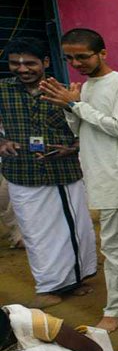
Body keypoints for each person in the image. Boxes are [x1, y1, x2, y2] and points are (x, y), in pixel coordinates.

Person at [39, 28, 118, 332]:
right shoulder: (83, 88)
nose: (77, 63)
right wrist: (71, 106)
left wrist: (74, 105)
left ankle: (117, 309)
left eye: (83, 56)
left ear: (103, 53)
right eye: (70, 58)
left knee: (117, 249)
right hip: (100, 175)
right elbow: (80, 130)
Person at [0, 38, 97, 304]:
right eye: (15, 63)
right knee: (36, 232)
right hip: (23, 173)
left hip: (63, 172)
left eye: (29, 63)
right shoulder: (2, 90)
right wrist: (2, 142)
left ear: (45, 62)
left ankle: (75, 279)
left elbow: (86, 129)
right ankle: (49, 286)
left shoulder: (64, 92)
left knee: (74, 229)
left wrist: (73, 147)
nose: (22, 69)